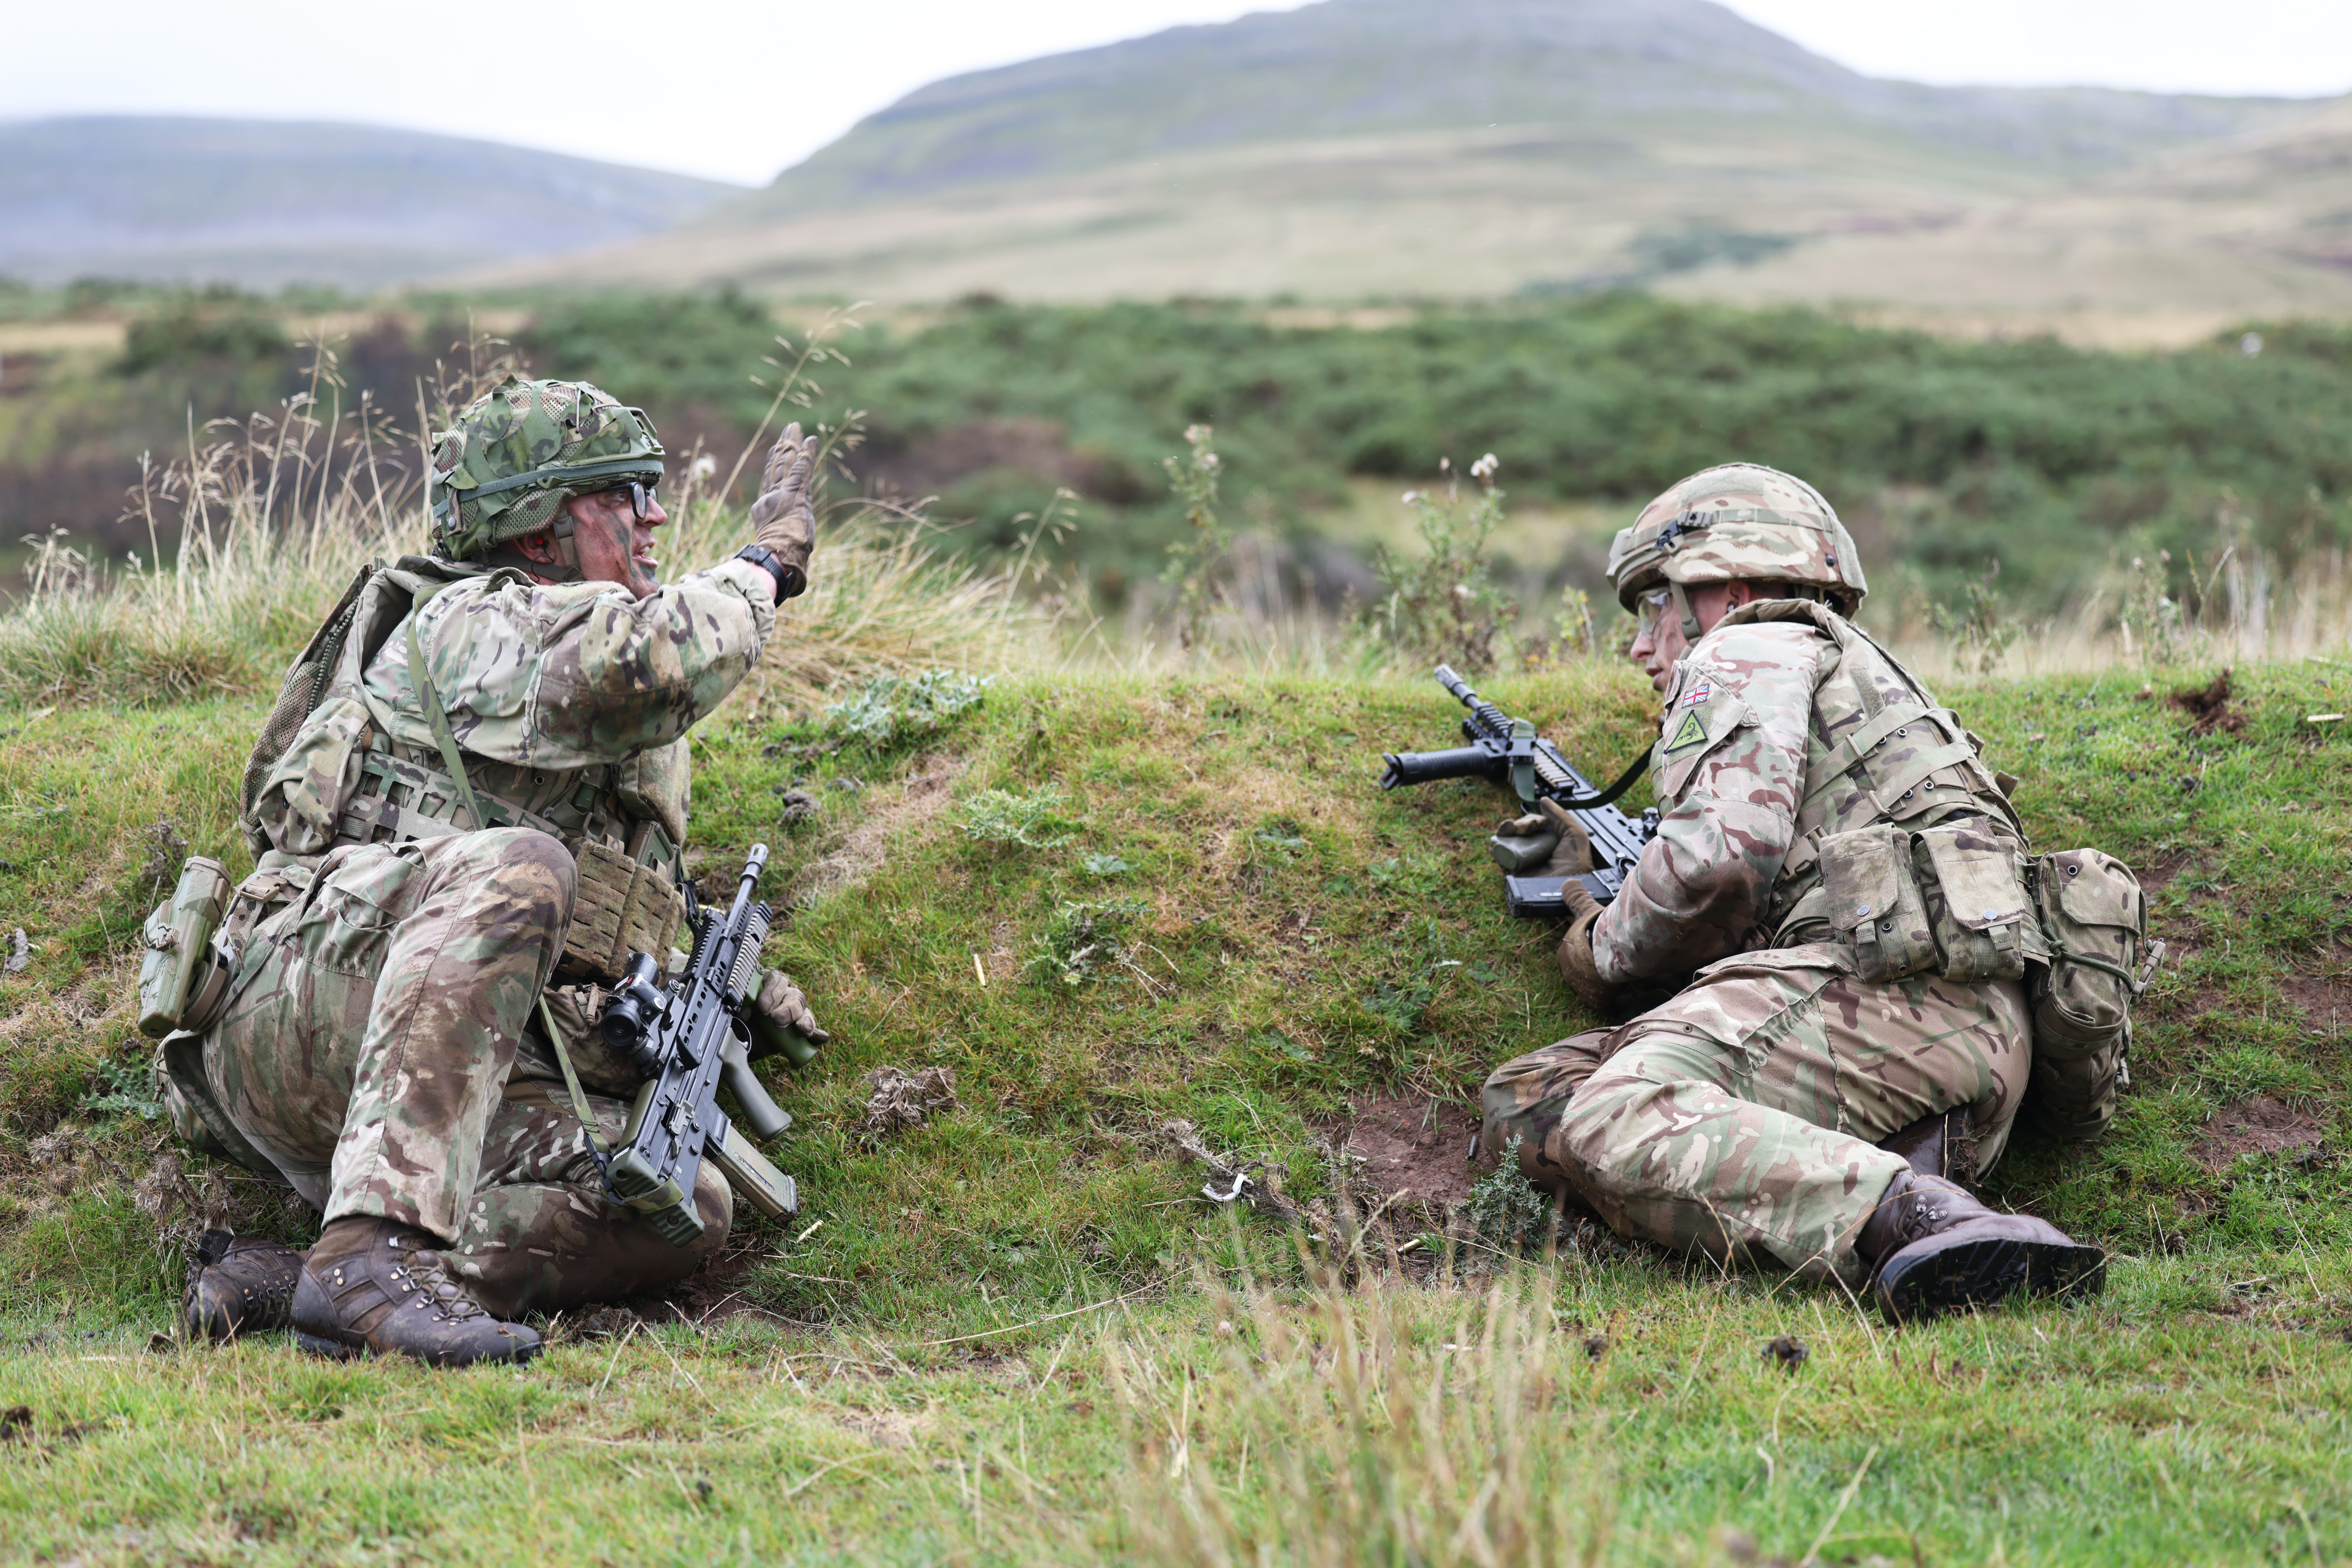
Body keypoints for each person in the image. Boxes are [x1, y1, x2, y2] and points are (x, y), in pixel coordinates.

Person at [162, 377, 830, 1365]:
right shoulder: (478, 620)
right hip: (305, 1012)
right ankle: (374, 1249)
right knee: (521, 865)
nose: (654, 519)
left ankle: (312, 1282)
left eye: (652, 493)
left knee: (675, 1197)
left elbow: (582, 925)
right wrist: (765, 567)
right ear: (534, 532)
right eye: (620, 497)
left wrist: (711, 989)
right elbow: (650, 661)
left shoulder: (592, 716)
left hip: (444, 1068)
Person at [1480, 464, 2113, 1320]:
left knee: (1618, 1112)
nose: (1641, 644)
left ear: (1726, 588)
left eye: (1654, 605)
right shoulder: (1869, 682)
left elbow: (1718, 863)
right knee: (1529, 1102)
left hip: (1890, 1003)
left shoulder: (1748, 643)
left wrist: (1597, 942)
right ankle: (1898, 1188)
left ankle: (1921, 1217)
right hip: (1956, 1040)